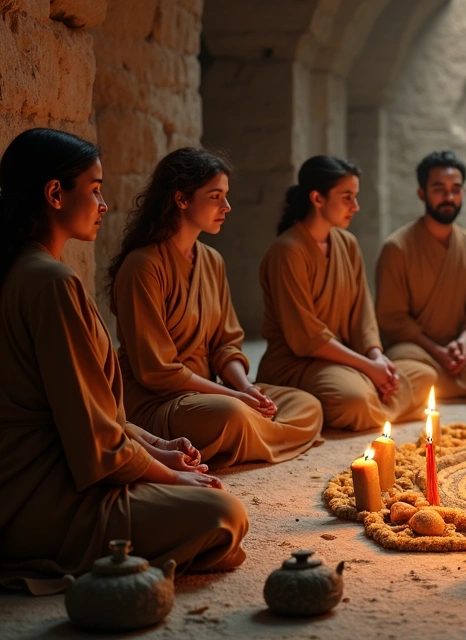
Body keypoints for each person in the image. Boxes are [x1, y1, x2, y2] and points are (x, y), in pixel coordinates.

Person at [0, 129, 246, 594]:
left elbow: (88, 410)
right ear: (55, 193)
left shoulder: (33, 271)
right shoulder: (51, 283)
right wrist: (171, 474)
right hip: (41, 495)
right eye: (94, 190)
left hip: (67, 466)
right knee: (223, 516)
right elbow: (96, 441)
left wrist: (156, 447)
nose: (104, 204)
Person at [108, 148, 323, 469]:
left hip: (210, 391)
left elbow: (225, 344)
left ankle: (251, 437)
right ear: (181, 199)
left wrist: (246, 386)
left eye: (226, 196)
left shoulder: (211, 260)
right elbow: (157, 371)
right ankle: (250, 436)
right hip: (158, 403)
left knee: (307, 404)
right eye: (215, 196)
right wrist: (235, 398)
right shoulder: (142, 266)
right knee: (233, 415)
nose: (227, 206)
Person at [258, 156, 431, 430]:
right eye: (347, 197)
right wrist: (367, 368)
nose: (356, 206)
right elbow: (306, 338)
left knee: (425, 376)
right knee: (354, 400)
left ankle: (368, 398)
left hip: (347, 360)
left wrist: (375, 357)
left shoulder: (348, 244)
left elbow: (363, 315)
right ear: (317, 198)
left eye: (356, 196)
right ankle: (365, 399)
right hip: (297, 363)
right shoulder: (288, 251)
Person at [376, 151, 466, 399]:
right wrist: (437, 351)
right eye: (439, 189)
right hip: (418, 350)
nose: (449, 197)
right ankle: (455, 385)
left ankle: (435, 389)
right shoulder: (397, 247)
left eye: (456, 189)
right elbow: (392, 319)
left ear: (463, 193)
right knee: (406, 367)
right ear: (422, 193)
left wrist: (461, 343)